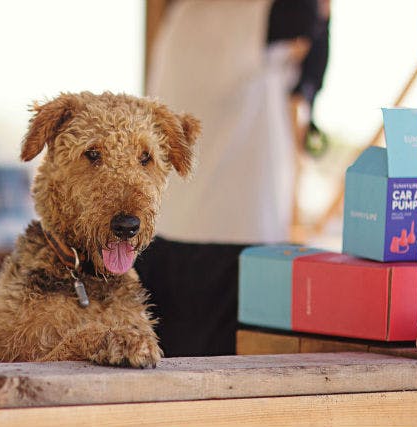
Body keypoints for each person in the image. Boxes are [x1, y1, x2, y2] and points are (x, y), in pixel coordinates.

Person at [136, 0, 330, 357]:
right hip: (220, 251)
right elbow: (310, 15)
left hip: (186, 242)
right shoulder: (239, 16)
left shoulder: (190, 19)